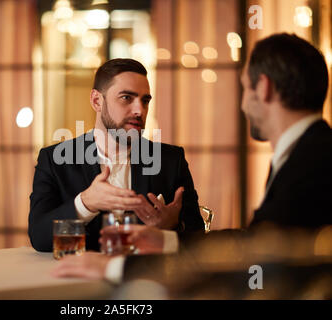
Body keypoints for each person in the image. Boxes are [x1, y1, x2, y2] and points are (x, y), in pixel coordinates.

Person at [52, 33, 332, 284]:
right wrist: (168, 241)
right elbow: (257, 242)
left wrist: (117, 269)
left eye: (245, 88)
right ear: (96, 101)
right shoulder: (312, 151)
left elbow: (261, 255)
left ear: (265, 88)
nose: (243, 104)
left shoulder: (310, 162)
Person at [28, 58, 205, 252]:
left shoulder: (171, 160)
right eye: (126, 98)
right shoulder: (55, 160)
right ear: (97, 101)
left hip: (144, 281)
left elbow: (198, 241)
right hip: (78, 279)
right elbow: (40, 238)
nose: (140, 110)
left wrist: (170, 228)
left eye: (145, 100)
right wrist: (85, 203)